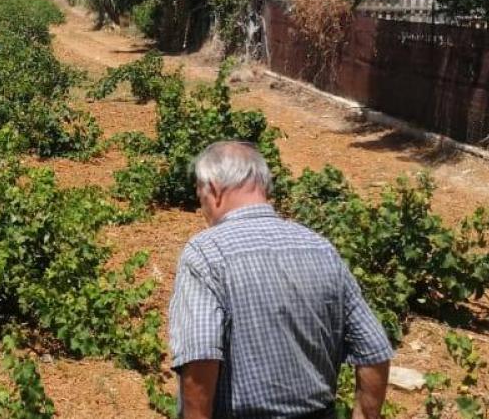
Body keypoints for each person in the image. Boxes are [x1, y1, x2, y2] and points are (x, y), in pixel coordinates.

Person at [168, 141, 393, 419]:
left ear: (213, 189)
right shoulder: (319, 248)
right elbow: (374, 349)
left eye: (200, 196)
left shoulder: (205, 254)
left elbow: (200, 358)